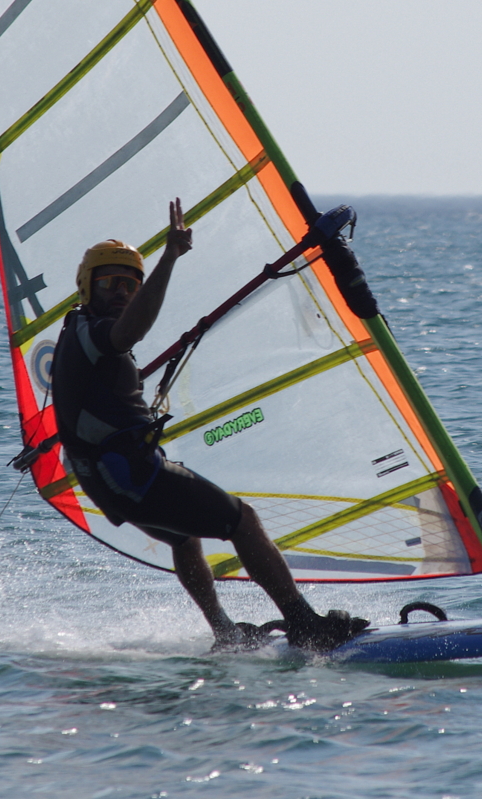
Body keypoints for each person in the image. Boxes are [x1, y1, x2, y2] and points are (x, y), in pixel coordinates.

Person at [49, 198, 368, 653]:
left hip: (108, 481)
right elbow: (127, 334)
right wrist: (170, 257)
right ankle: (304, 624)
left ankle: (224, 631)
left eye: (130, 284)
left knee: (184, 536)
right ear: (87, 287)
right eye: (109, 283)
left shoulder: (78, 333)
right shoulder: (97, 332)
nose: (121, 292)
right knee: (243, 520)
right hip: (130, 474)